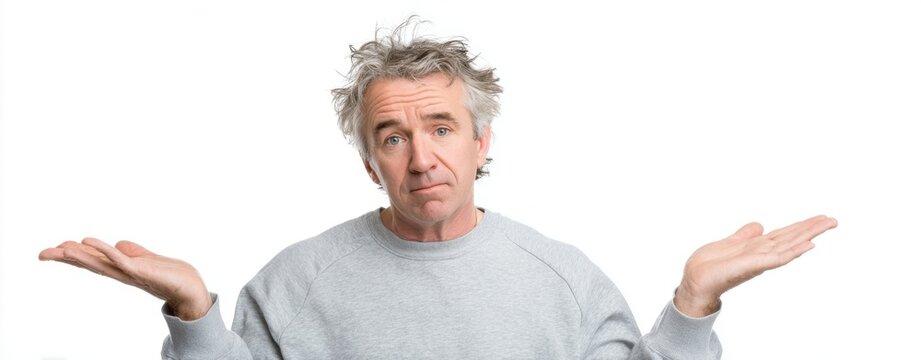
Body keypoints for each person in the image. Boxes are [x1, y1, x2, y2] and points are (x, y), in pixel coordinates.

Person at [38, 18, 838, 359]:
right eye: (393, 137)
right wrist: (193, 312)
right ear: (368, 161)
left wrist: (692, 305)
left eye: (442, 128)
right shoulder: (295, 281)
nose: (421, 157)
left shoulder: (562, 280)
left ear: (482, 140)